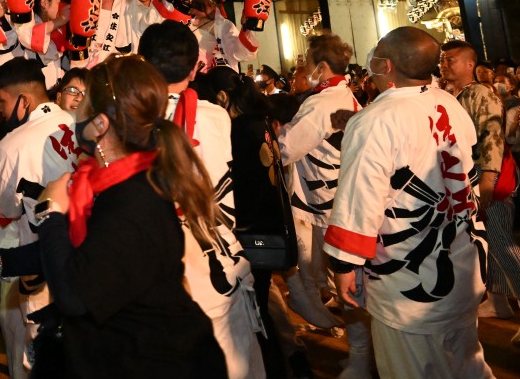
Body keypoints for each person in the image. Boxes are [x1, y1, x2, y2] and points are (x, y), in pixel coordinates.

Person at [0, 55, 228, 378]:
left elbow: (73, 294)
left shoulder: (134, 196)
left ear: (100, 124)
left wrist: (50, 211)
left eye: (84, 101)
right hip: (126, 352)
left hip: (154, 359)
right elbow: (84, 255)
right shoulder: (110, 180)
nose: (74, 108)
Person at [325, 27, 490, 378]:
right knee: (466, 363)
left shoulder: (376, 120)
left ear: (385, 65)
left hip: (409, 276)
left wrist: (344, 264)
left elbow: (361, 198)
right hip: (462, 259)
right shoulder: (447, 102)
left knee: (412, 368)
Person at [137, 21, 261, 379]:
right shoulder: (215, 116)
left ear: (142, 64)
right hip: (217, 260)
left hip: (155, 271)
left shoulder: (128, 120)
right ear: (196, 68)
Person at [278, 33, 372, 375]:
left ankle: (361, 357)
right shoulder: (342, 94)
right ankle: (360, 352)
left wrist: (274, 134)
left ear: (321, 65)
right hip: (335, 198)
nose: (302, 66)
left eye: (306, 60)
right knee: (341, 279)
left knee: (342, 280)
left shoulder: (321, 103)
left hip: (323, 202)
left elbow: (286, 148)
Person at [440, 39, 520, 345]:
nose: (444, 64)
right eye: (443, 60)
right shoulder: (451, 94)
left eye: (451, 60)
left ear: (470, 64)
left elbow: (493, 135)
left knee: (501, 243)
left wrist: (488, 179)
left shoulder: (480, 93)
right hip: (467, 179)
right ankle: (498, 302)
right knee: (487, 243)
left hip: (488, 179)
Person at [210, 67, 309, 379]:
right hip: (270, 225)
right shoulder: (260, 120)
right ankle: (288, 363)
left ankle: (279, 369)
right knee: (263, 307)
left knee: (257, 313)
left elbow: (241, 185)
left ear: (222, 97)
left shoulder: (238, 129)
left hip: (253, 232)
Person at [0, 58, 79, 379]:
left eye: (2, 101)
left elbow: (6, 211)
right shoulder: (77, 122)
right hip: (84, 259)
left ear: (24, 101)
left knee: (33, 359)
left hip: (37, 264)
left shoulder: (13, 145)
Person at [188, 0, 258, 72]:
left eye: (199, 7)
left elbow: (239, 53)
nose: (193, 10)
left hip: (205, 76)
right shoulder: (189, 19)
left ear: (213, 5)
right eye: (192, 5)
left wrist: (246, 29)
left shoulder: (224, 25)